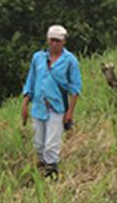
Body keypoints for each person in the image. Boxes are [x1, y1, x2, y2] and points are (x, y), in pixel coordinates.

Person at [21, 25, 83, 179]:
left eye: (58, 41)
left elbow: (75, 88)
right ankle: (42, 168)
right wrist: (25, 104)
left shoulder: (70, 61)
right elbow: (31, 80)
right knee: (38, 143)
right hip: (38, 106)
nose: (54, 44)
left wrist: (70, 113)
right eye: (52, 40)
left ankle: (51, 173)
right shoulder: (38, 58)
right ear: (48, 40)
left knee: (51, 144)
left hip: (57, 107)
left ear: (63, 41)